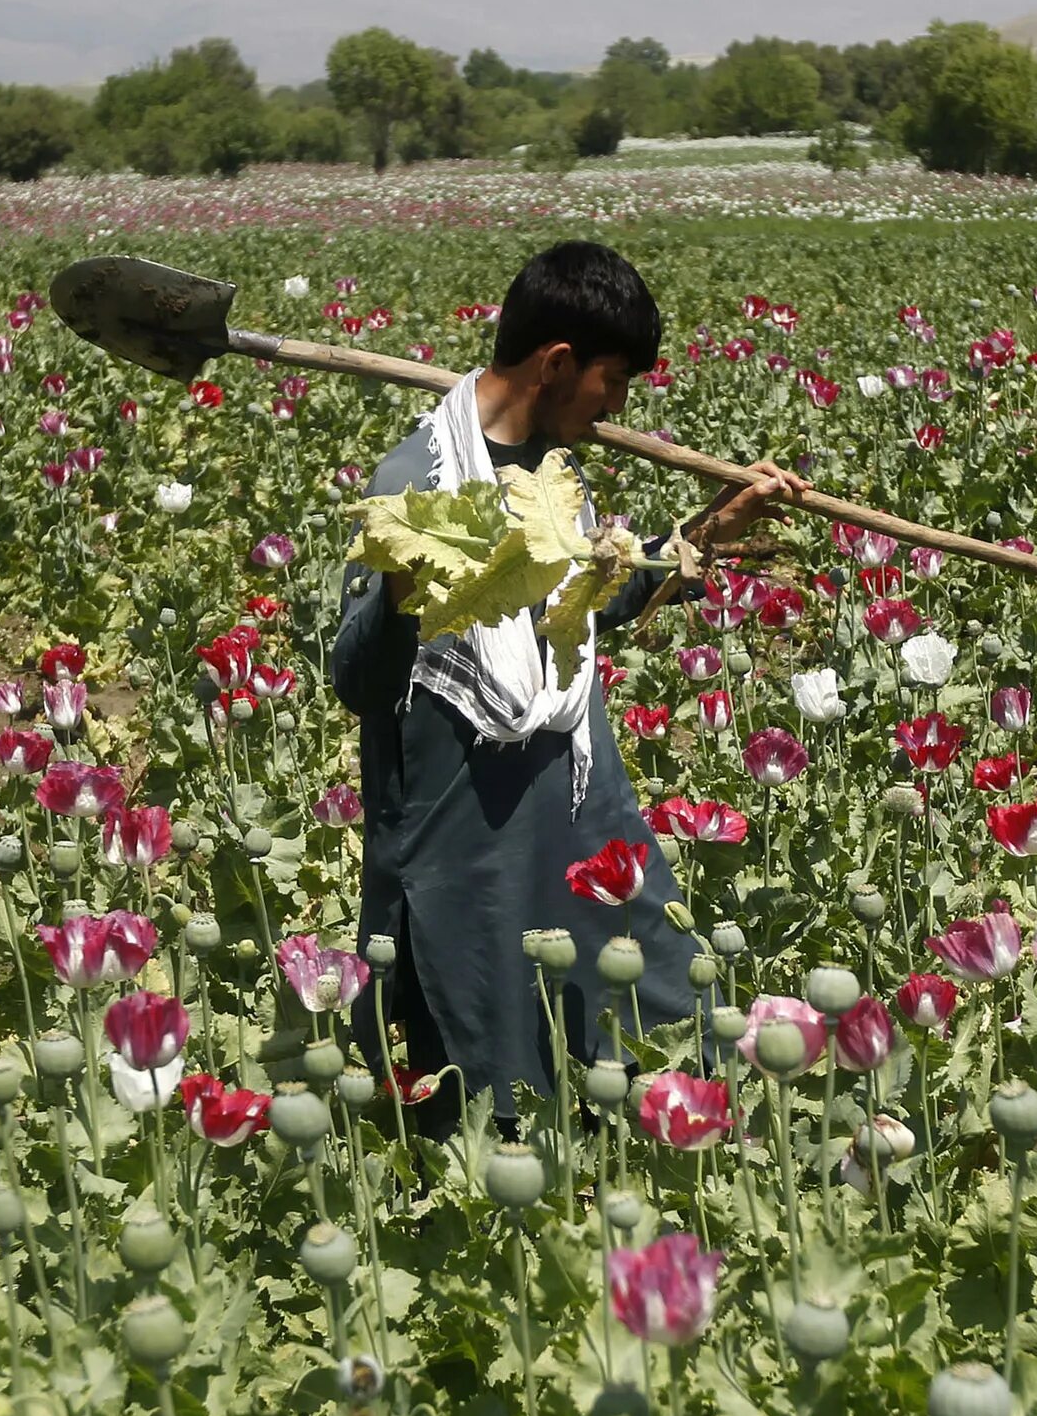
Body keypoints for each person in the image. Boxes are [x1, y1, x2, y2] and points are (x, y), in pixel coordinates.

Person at [329, 241, 802, 1132]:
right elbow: (358, 680)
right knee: (491, 1079)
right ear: (555, 364)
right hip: (470, 833)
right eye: (612, 381)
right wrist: (399, 587)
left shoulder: (552, 475)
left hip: (577, 800)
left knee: (665, 1008)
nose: (618, 407)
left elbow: (582, 600)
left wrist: (710, 530)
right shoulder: (417, 485)